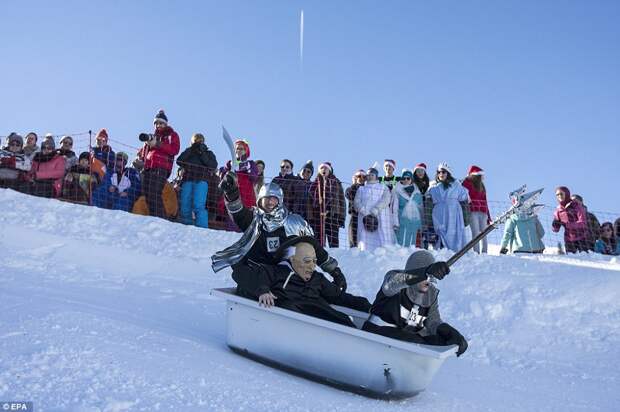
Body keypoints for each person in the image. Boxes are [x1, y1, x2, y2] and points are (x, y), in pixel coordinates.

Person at [212, 178, 349, 296]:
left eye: (273, 198)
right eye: (266, 199)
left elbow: (313, 249)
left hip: (289, 278)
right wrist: (231, 193)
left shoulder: (295, 222)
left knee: (320, 285)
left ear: (280, 200)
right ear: (259, 201)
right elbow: (239, 213)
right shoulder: (253, 220)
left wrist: (335, 272)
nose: (270, 202)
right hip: (260, 278)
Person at [234, 236, 371, 327]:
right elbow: (240, 273)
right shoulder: (276, 273)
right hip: (294, 325)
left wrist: (367, 306)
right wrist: (262, 290)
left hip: (323, 322)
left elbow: (338, 296)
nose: (312, 266)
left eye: (314, 262)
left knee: (344, 321)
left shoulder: (317, 279)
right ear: (292, 260)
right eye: (306, 261)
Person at [362, 250, 468, 356]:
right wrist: (424, 272)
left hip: (402, 344)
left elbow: (433, 321)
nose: (428, 281)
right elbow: (396, 281)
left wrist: (447, 331)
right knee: (417, 341)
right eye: (426, 277)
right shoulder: (395, 281)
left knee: (438, 342)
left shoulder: (430, 294)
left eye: (431, 277)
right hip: (375, 337)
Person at [136, 110, 180, 219]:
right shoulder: (152, 136)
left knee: (155, 193)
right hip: (148, 167)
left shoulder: (171, 135)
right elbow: (145, 152)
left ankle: (161, 219)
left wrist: (158, 144)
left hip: (162, 167)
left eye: (161, 123)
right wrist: (140, 157)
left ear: (166, 124)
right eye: (156, 123)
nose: (158, 125)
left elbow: (175, 149)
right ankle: (154, 218)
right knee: (147, 194)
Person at [176, 133, 218, 228]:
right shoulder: (189, 151)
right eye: (196, 140)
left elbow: (213, 165)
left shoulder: (208, 153)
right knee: (185, 205)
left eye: (200, 140)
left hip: (201, 180)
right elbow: (179, 161)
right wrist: (191, 150)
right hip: (187, 180)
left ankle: (202, 228)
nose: (198, 142)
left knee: (198, 205)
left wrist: (202, 153)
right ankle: (186, 226)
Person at [426, 163, 470, 252]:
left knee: (453, 233)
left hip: (453, 213)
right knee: (440, 232)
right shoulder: (434, 188)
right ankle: (442, 250)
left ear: (448, 173)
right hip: (439, 214)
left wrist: (466, 217)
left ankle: (455, 252)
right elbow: (428, 198)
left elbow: (465, 197)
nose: (441, 174)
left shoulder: (456, 186)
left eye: (443, 172)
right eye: (439, 172)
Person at [354, 165, 394, 251]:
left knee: (381, 233)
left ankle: (383, 249)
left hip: (379, 215)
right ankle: (364, 250)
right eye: (368, 175)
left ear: (376, 176)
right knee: (365, 234)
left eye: (372, 175)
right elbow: (356, 201)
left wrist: (376, 209)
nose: (370, 177)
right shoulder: (361, 189)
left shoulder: (383, 187)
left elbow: (386, 199)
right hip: (365, 215)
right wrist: (363, 211)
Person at [309, 162, 346, 248]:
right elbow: (310, 201)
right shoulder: (315, 184)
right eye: (321, 168)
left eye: (326, 168)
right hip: (318, 215)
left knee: (333, 239)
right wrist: (311, 216)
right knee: (318, 239)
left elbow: (341, 200)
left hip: (333, 214)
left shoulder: (336, 182)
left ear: (330, 170)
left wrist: (342, 217)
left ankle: (335, 256)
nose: (323, 170)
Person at [462, 165, 491, 254]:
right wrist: (467, 178)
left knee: (484, 233)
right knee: (475, 232)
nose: (483, 177)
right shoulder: (467, 183)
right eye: (481, 175)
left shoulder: (482, 186)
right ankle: (476, 252)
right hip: (473, 211)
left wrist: (488, 216)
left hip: (483, 212)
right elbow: (464, 191)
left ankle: (485, 251)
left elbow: (485, 201)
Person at [551, 186, 589, 253]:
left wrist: (568, 225)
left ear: (567, 194)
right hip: (569, 240)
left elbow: (583, 223)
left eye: (561, 194)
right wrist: (555, 224)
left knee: (585, 258)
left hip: (582, 237)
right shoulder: (558, 210)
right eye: (557, 195)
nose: (559, 196)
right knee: (572, 259)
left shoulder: (576, 205)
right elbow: (555, 230)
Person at [392, 169, 423, 247]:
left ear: (411, 180)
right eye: (404, 178)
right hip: (401, 219)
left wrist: (421, 223)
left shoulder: (417, 192)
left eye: (408, 178)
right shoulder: (396, 190)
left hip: (414, 220)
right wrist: (395, 221)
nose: (406, 180)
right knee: (401, 239)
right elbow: (394, 208)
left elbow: (420, 208)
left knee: (413, 239)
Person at [413, 163, 433, 249]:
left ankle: (426, 245)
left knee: (425, 228)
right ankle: (417, 245)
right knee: (417, 228)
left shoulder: (429, 183)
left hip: (426, 209)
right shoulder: (413, 183)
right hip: (416, 209)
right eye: (418, 171)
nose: (420, 173)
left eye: (422, 171)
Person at [345, 169, 366, 248]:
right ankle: (353, 248)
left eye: (364, 177)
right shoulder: (351, 188)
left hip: (364, 215)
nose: (361, 178)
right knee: (353, 233)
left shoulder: (367, 189)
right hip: (354, 214)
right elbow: (349, 195)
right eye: (359, 176)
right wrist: (354, 184)